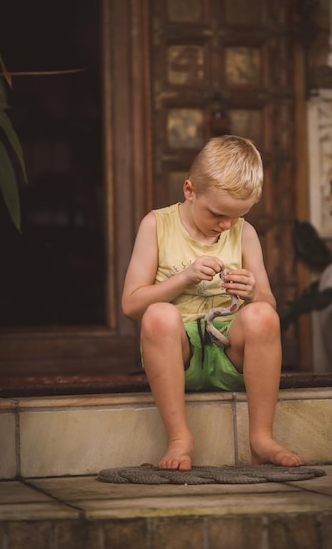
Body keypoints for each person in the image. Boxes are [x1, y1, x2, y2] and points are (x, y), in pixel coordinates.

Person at [121, 135, 304, 471]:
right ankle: (179, 438)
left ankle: (262, 437)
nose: (226, 225)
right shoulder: (156, 225)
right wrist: (185, 277)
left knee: (263, 315)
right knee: (159, 315)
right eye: (218, 215)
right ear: (190, 191)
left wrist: (253, 293)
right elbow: (132, 306)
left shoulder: (243, 233)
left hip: (229, 357)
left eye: (237, 217)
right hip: (179, 357)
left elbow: (268, 303)